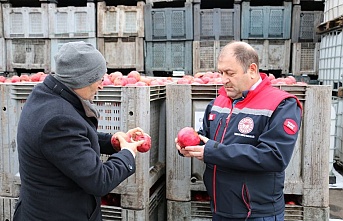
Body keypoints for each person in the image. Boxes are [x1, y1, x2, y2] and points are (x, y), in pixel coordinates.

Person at [13, 41, 144, 221]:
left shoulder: (46, 95)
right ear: (81, 79)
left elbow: (71, 143)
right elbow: (99, 180)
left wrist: (112, 141)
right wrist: (128, 154)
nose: (102, 85)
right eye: (98, 78)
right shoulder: (57, 120)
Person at [176, 41, 302, 221]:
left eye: (230, 73)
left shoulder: (281, 104)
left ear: (251, 69)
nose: (223, 79)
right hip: (220, 209)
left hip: (256, 213)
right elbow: (204, 138)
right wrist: (187, 146)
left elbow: (274, 156)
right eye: (221, 72)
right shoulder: (218, 102)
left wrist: (213, 151)